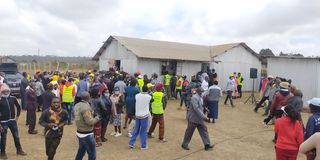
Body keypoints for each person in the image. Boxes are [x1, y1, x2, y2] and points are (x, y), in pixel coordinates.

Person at [181, 86, 214, 151]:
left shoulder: (200, 97)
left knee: (204, 130)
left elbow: (201, 106)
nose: (203, 93)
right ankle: (184, 144)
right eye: (202, 92)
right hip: (193, 118)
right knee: (189, 132)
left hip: (200, 119)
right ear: (198, 92)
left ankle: (207, 144)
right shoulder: (194, 98)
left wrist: (205, 109)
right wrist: (204, 117)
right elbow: (196, 109)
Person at [0, 84, 27, 159]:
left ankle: (19, 150)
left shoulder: (13, 98)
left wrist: (17, 117)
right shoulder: (0, 100)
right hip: (3, 122)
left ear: (9, 90)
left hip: (12, 121)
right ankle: (2, 153)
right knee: (3, 138)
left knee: (16, 136)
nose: (6, 91)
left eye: (7, 90)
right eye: (4, 90)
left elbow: (18, 107)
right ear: (1, 91)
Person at [74, 91, 100, 160]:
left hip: (79, 131)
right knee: (92, 154)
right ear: (89, 97)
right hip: (86, 134)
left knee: (81, 152)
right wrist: (97, 118)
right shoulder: (86, 108)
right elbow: (90, 122)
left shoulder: (77, 105)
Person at [128, 85, 152, 150]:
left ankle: (131, 144)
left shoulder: (137, 95)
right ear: (147, 90)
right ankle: (143, 146)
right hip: (144, 116)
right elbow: (151, 100)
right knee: (143, 131)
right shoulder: (149, 97)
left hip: (137, 115)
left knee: (136, 130)